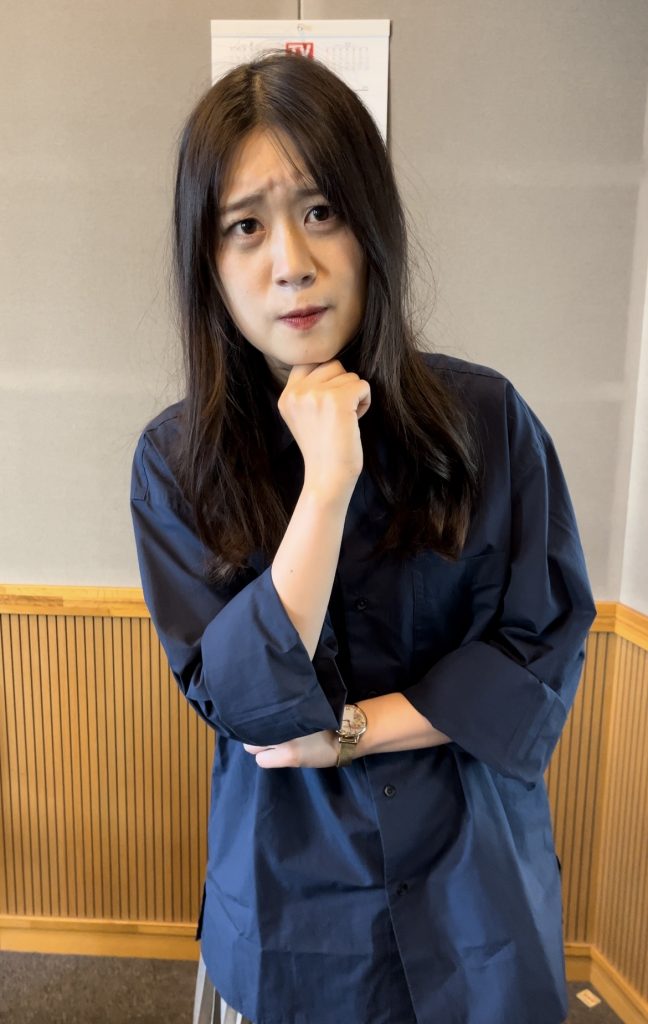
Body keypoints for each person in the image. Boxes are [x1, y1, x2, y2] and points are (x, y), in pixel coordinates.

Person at [130, 50, 596, 1024]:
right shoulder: (177, 462)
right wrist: (328, 484)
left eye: (321, 211)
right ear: (208, 262)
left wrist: (347, 734)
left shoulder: (486, 421)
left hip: (475, 893)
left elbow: (538, 653)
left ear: (371, 223)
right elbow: (249, 706)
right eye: (246, 226)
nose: (291, 262)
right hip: (297, 909)